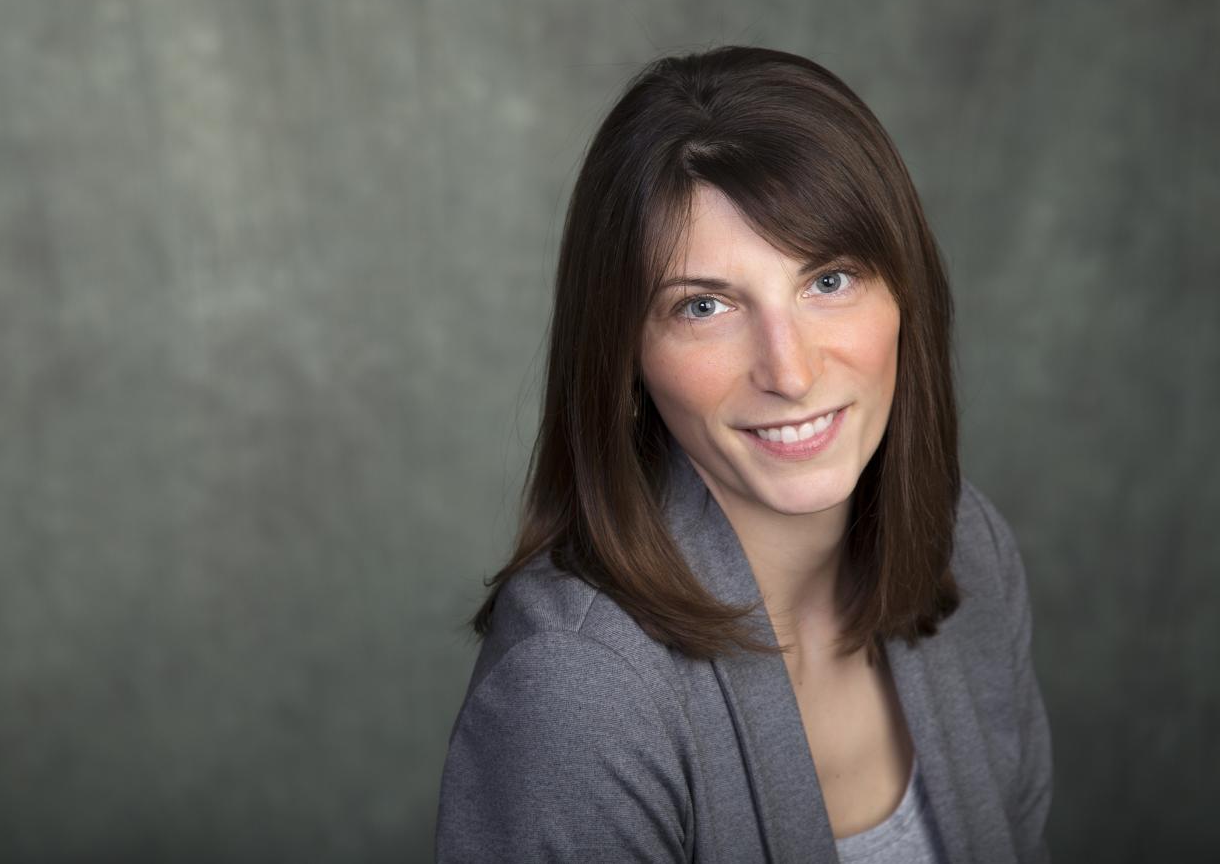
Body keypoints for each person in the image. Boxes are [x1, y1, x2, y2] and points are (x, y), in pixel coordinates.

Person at [435, 45, 1052, 863]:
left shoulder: (968, 550)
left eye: (828, 281)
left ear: (908, 295)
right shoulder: (575, 690)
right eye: (704, 306)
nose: (789, 373)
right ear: (624, 356)